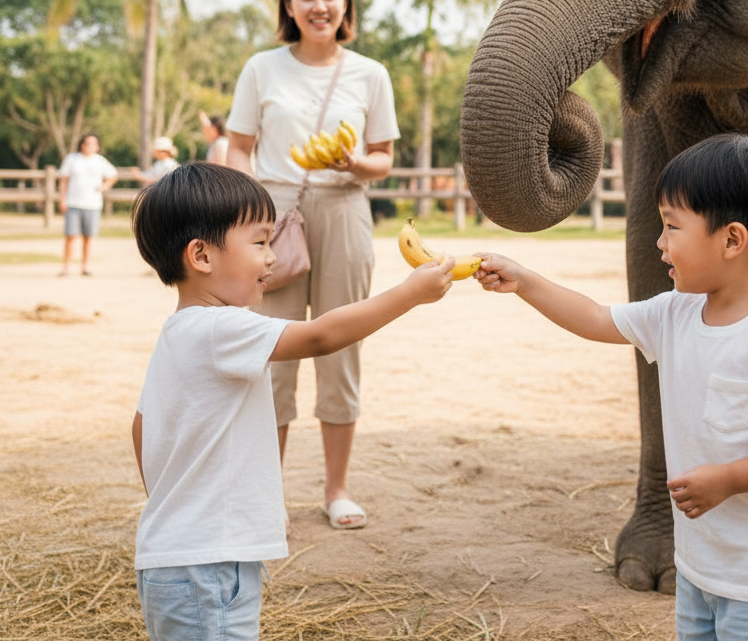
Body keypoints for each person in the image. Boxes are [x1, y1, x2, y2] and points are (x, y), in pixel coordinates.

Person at [475, 134, 748, 641]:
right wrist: (525, 281)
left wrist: (730, 479)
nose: (660, 242)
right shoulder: (676, 311)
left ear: (732, 240)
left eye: (672, 227)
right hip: (700, 567)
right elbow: (596, 318)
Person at [130, 163, 452, 641]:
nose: (273, 257)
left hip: (183, 558)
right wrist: (408, 294)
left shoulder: (179, 332)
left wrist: (175, 504)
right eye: (260, 242)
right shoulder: (222, 327)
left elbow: (140, 427)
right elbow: (320, 336)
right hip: (208, 567)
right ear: (200, 255)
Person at [226, 0, 400, 530]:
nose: (319, 6)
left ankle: (336, 489)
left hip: (345, 208)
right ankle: (263, 494)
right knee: (270, 350)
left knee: (340, 349)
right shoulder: (261, 69)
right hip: (271, 213)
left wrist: (356, 163)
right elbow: (238, 147)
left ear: (345, 3)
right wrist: (246, 211)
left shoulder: (370, 73)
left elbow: (383, 160)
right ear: (288, 5)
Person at [58, 133, 118, 276]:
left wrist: (105, 186)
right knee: (70, 236)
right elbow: (64, 180)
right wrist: (62, 199)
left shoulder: (100, 161)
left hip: (92, 204)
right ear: (82, 145)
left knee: (88, 237)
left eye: (93, 143)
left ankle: (85, 266)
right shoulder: (72, 159)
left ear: (97, 147)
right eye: (87, 143)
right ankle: (66, 266)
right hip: (73, 203)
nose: (90, 146)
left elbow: (113, 175)